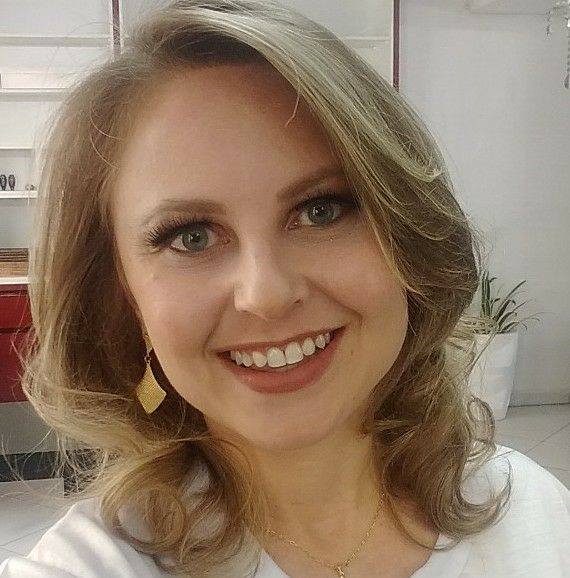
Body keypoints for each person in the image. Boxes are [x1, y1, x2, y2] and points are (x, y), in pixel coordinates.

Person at [1, 1, 568, 577]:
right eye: (192, 237)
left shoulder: (535, 514)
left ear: (407, 235)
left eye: (321, 210)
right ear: (121, 297)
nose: (266, 294)